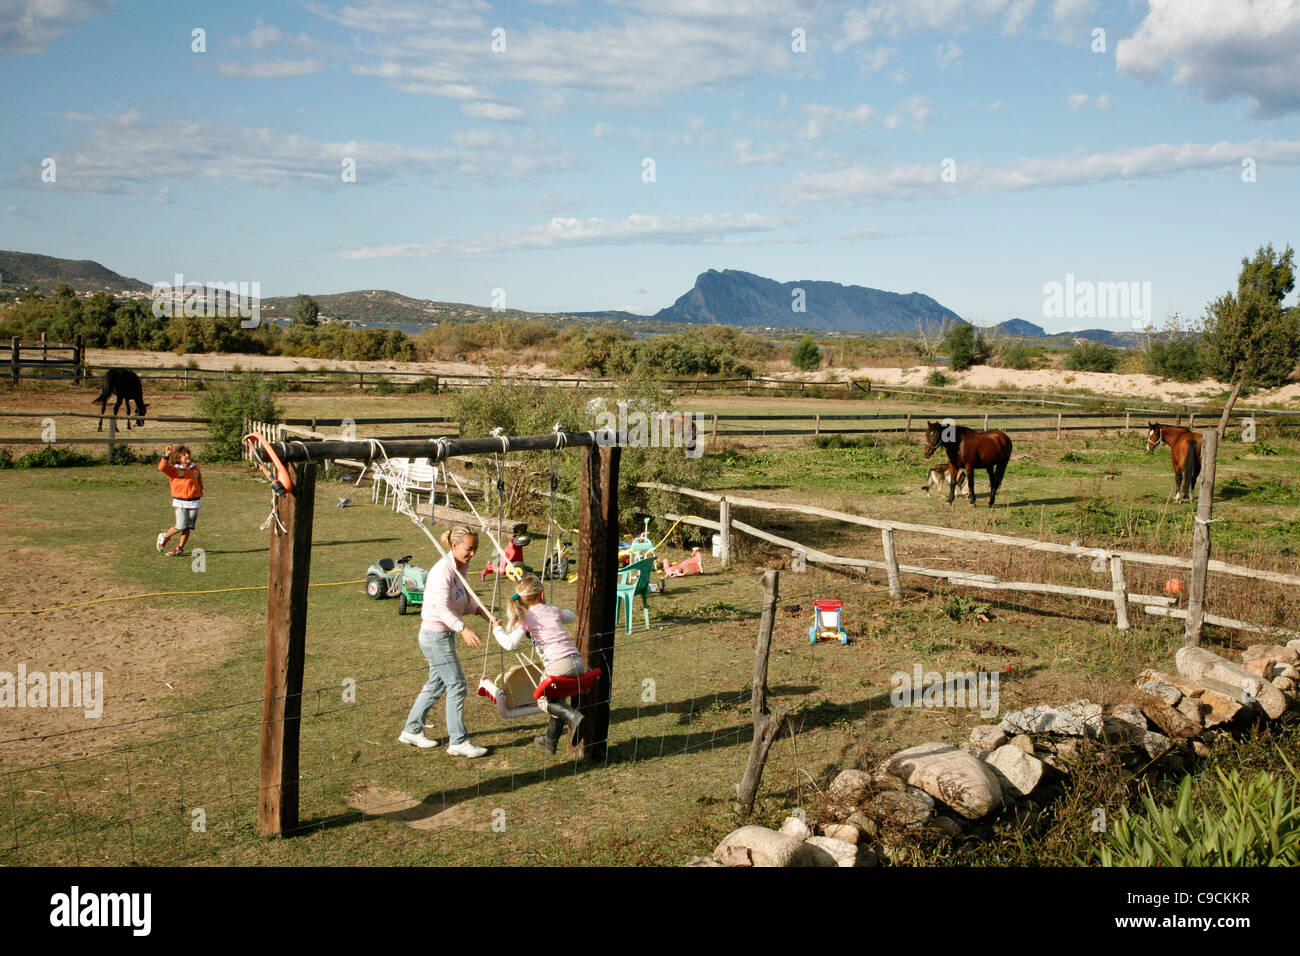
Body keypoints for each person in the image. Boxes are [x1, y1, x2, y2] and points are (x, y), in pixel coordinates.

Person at [399, 526, 493, 757]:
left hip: (442, 636)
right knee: (457, 684)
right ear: (454, 546)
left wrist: (480, 612)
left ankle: (411, 730)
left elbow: (461, 600)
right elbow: (442, 609)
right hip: (435, 637)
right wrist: (464, 629)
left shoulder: (461, 567)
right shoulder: (442, 571)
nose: (472, 554)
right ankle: (458, 741)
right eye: (469, 549)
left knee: (437, 684)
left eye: (475, 549)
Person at [492, 573, 587, 754]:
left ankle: (573, 717)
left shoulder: (525, 618)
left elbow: (510, 644)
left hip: (558, 664)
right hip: (577, 662)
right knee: (556, 699)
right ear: (541, 595)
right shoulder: (552, 610)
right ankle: (550, 741)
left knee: (543, 700)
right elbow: (571, 616)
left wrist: (497, 629)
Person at [156, 444, 203, 557]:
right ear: (178, 458)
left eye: (188, 454)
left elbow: (199, 482)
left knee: (187, 528)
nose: (187, 456)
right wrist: (166, 455)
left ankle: (179, 549)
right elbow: (161, 468)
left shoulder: (195, 469)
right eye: (183, 455)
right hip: (180, 502)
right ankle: (165, 536)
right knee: (181, 525)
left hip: (194, 502)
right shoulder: (174, 470)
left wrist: (200, 491)